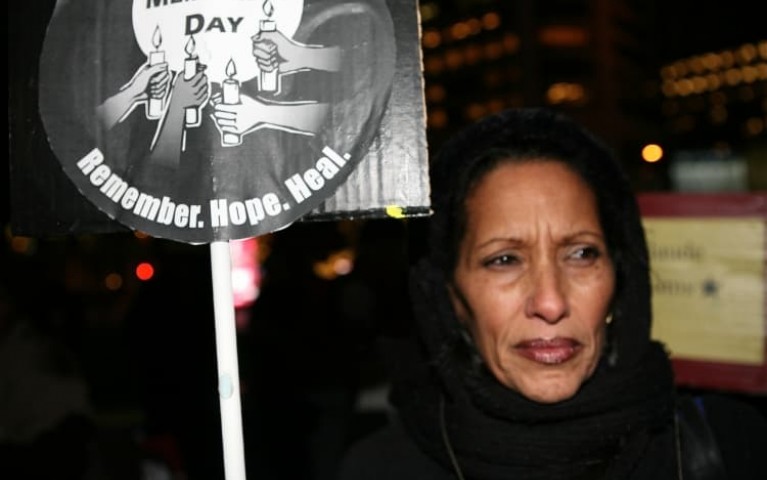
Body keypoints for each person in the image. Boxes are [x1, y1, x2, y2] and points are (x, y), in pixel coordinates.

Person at [338, 108, 767, 479]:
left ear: (620, 276)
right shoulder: (378, 468)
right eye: (504, 259)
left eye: (581, 254)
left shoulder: (731, 444)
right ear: (449, 296)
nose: (551, 302)